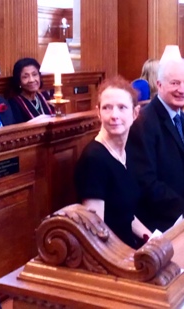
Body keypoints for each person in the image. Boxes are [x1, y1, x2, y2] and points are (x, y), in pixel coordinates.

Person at [126, 58, 184, 232]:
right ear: (159, 85)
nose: (182, 90)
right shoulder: (143, 124)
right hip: (164, 221)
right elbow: (147, 183)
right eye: (175, 83)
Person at [75, 76, 151, 249]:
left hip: (129, 247)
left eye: (122, 107)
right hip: (112, 257)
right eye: (107, 108)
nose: (114, 115)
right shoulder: (94, 159)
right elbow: (96, 231)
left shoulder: (125, 152)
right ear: (98, 113)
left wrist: (153, 239)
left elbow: (126, 215)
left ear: (135, 113)